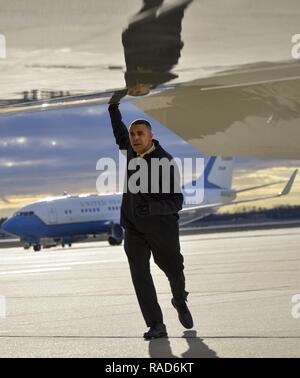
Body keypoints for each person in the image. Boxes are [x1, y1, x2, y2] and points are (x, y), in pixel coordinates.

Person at [108, 100, 193, 339]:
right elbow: (119, 133)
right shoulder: (131, 152)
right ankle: (156, 324)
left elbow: (176, 202)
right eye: (133, 134)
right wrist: (113, 108)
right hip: (134, 228)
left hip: (161, 228)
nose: (134, 138)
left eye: (140, 134)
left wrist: (153, 208)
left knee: (174, 270)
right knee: (140, 277)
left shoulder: (165, 163)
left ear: (151, 136)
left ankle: (179, 299)